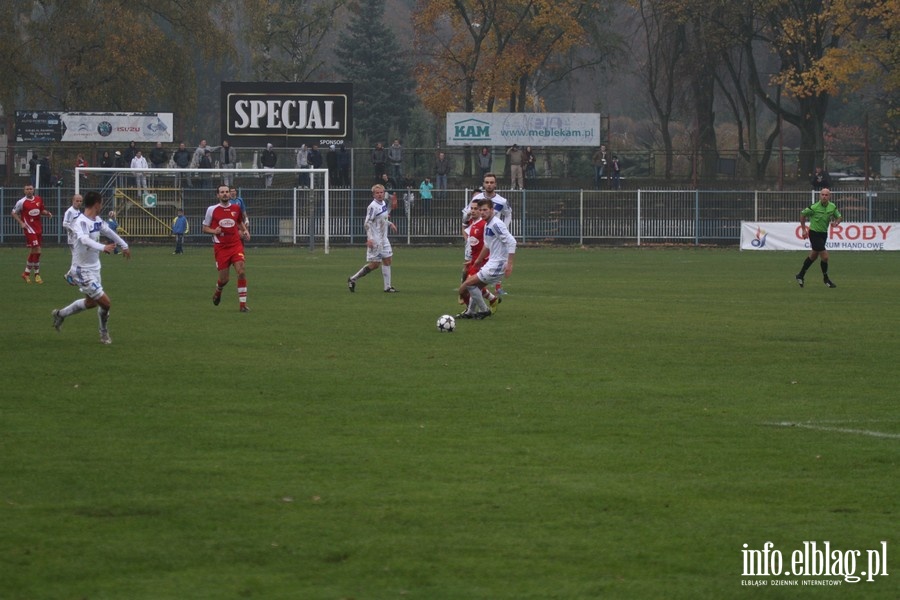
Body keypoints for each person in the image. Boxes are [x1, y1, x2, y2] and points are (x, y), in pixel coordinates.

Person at [51, 191, 131, 345]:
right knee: (106, 303)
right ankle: (103, 334)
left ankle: (60, 314)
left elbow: (108, 231)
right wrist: (103, 247)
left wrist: (124, 245)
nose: (101, 206)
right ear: (97, 204)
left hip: (94, 268)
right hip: (82, 270)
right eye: (101, 203)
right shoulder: (80, 222)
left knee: (92, 303)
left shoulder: (96, 220)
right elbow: (85, 240)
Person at [457, 198, 516, 319]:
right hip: (491, 263)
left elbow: (512, 242)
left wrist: (509, 264)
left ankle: (484, 310)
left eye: (485, 210)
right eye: (480, 210)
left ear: (492, 210)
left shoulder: (496, 224)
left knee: (467, 285)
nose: (482, 212)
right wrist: (477, 261)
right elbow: (487, 245)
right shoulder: (487, 224)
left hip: (497, 264)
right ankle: (471, 312)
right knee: (474, 287)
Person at [203, 184, 251, 312]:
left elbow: (239, 222)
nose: (225, 194)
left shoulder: (236, 208)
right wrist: (214, 231)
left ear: (230, 194)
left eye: (227, 192)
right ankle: (218, 291)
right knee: (224, 279)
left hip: (235, 245)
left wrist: (245, 231)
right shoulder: (211, 210)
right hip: (221, 248)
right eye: (222, 192)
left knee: (241, 271)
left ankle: (242, 306)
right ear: (217, 195)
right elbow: (205, 228)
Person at [347, 183, 398, 293]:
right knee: (375, 265)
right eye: (377, 193)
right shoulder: (372, 206)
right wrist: (369, 239)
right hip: (376, 240)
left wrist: (390, 224)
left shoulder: (383, 203)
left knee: (388, 260)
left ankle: (387, 287)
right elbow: (367, 223)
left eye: (381, 192)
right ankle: (352, 279)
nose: (380, 194)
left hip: (384, 238)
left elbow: (382, 219)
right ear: (373, 195)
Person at [471, 173, 511, 294]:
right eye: (487, 182)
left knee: (496, 259)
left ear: (495, 184)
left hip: (493, 236)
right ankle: (476, 282)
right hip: (479, 234)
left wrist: (505, 227)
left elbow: (508, 213)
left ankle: (497, 287)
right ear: (483, 184)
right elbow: (470, 212)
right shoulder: (476, 199)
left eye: (491, 182)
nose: (489, 185)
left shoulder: (502, 201)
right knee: (475, 259)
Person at [796, 188, 841, 289]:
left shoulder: (832, 206)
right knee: (825, 257)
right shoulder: (814, 207)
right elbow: (803, 215)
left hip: (823, 234)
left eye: (826, 195)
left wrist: (836, 223)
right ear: (820, 196)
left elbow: (839, 216)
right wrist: (803, 230)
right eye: (822, 195)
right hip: (814, 233)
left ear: (829, 196)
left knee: (813, 256)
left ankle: (800, 275)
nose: (824, 197)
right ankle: (826, 279)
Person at [11, 184, 52, 284]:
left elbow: (41, 210)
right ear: (24, 191)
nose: (29, 191)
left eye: (30, 189)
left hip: (38, 228)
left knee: (35, 251)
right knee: (37, 250)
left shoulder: (38, 199)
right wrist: (21, 222)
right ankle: (37, 274)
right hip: (29, 229)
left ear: (33, 190)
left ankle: (26, 273)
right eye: (27, 189)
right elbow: (13, 212)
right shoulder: (21, 202)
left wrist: (47, 213)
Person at [62, 193, 84, 285]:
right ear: (73, 201)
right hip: (72, 239)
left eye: (80, 201)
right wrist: (74, 231)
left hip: (78, 238)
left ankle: (73, 276)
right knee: (77, 258)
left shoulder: (78, 211)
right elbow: (65, 223)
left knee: (79, 258)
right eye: (77, 201)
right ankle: (69, 275)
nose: (78, 203)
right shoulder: (70, 211)